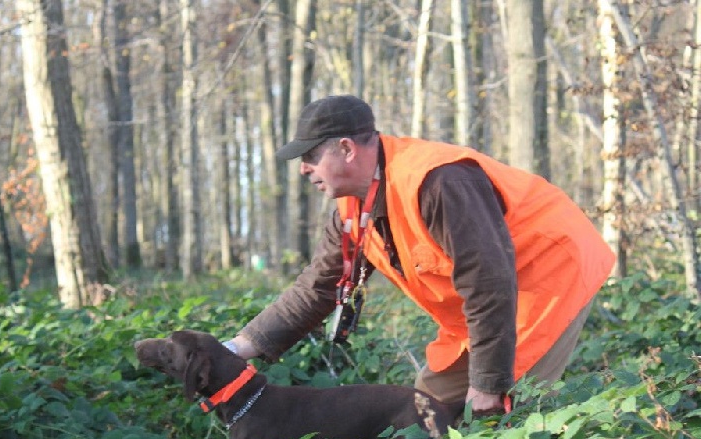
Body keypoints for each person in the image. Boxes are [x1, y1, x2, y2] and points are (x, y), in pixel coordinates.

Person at [223, 94, 615, 418]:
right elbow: (317, 288)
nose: (303, 170)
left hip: (547, 277)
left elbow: (489, 282)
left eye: (310, 156)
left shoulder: (438, 181)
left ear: (346, 149)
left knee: (510, 410)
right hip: (484, 306)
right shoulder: (351, 211)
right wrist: (237, 348)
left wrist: (488, 383)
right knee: (425, 411)